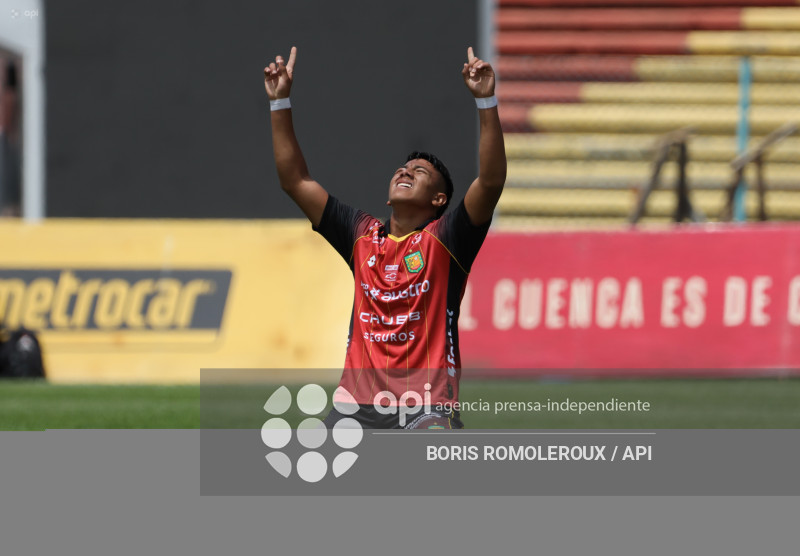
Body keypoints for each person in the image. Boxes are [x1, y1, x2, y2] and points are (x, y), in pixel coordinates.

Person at [264, 46, 506, 428]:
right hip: (355, 408)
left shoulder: (447, 239)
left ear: (439, 199)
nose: (405, 170)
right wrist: (280, 104)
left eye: (420, 171)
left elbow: (491, 182)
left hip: (426, 405)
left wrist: (486, 101)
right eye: (402, 167)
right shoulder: (360, 235)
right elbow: (295, 181)